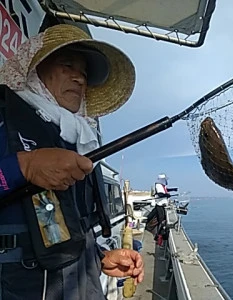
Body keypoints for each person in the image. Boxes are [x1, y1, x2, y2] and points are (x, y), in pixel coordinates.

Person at [0, 24, 143, 299]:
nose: (79, 79)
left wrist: (100, 257)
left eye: (84, 73)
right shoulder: (5, 118)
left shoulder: (78, 138)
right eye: (68, 65)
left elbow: (66, 225)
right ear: (35, 70)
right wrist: (23, 167)